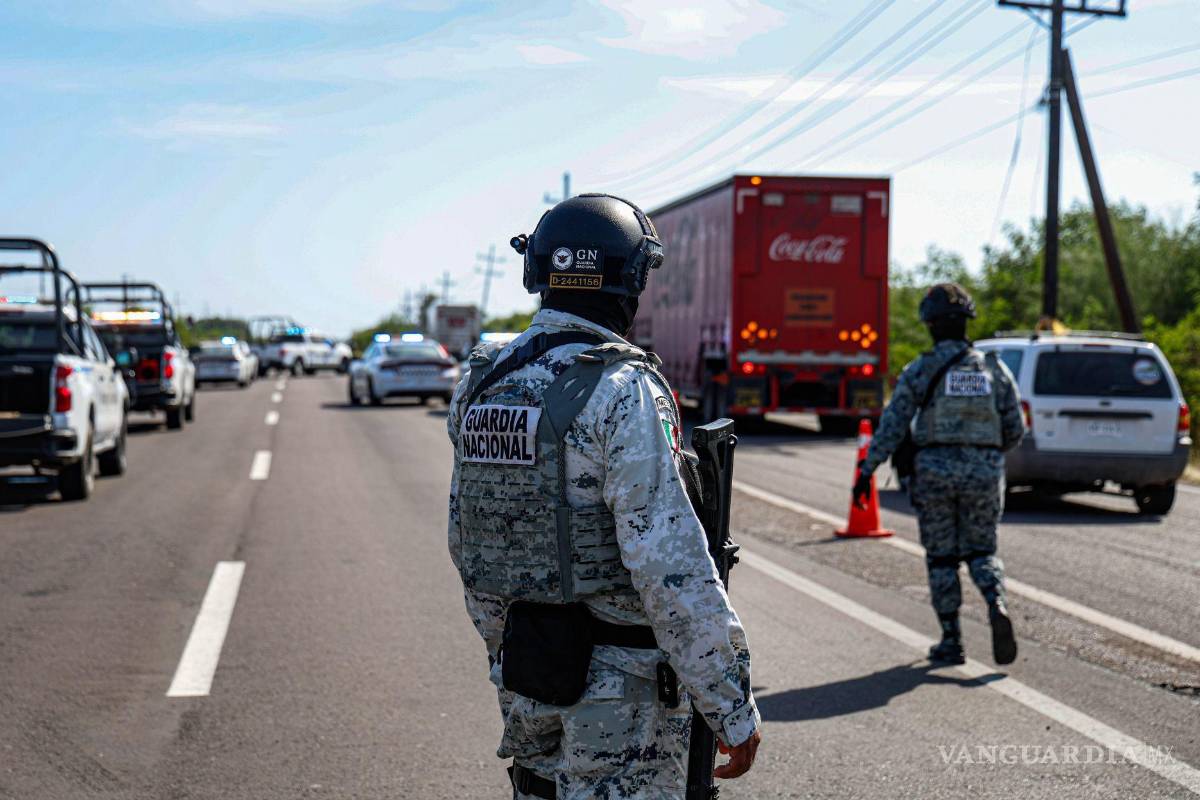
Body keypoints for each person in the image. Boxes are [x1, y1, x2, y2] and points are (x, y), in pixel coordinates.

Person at [446, 193, 761, 799]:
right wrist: (730, 703)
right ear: (633, 278)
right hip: (621, 694)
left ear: (537, 271)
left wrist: (506, 650)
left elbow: (470, 542)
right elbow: (669, 565)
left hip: (526, 672)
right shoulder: (622, 388)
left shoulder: (481, 383)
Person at [853, 283, 1024, 666]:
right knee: (982, 551)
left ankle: (951, 639)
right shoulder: (994, 370)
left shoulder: (921, 369)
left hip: (935, 474)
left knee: (942, 558)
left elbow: (894, 423)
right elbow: (1015, 428)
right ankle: (996, 601)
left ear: (931, 324)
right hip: (984, 473)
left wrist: (867, 470)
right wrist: (984, 455)